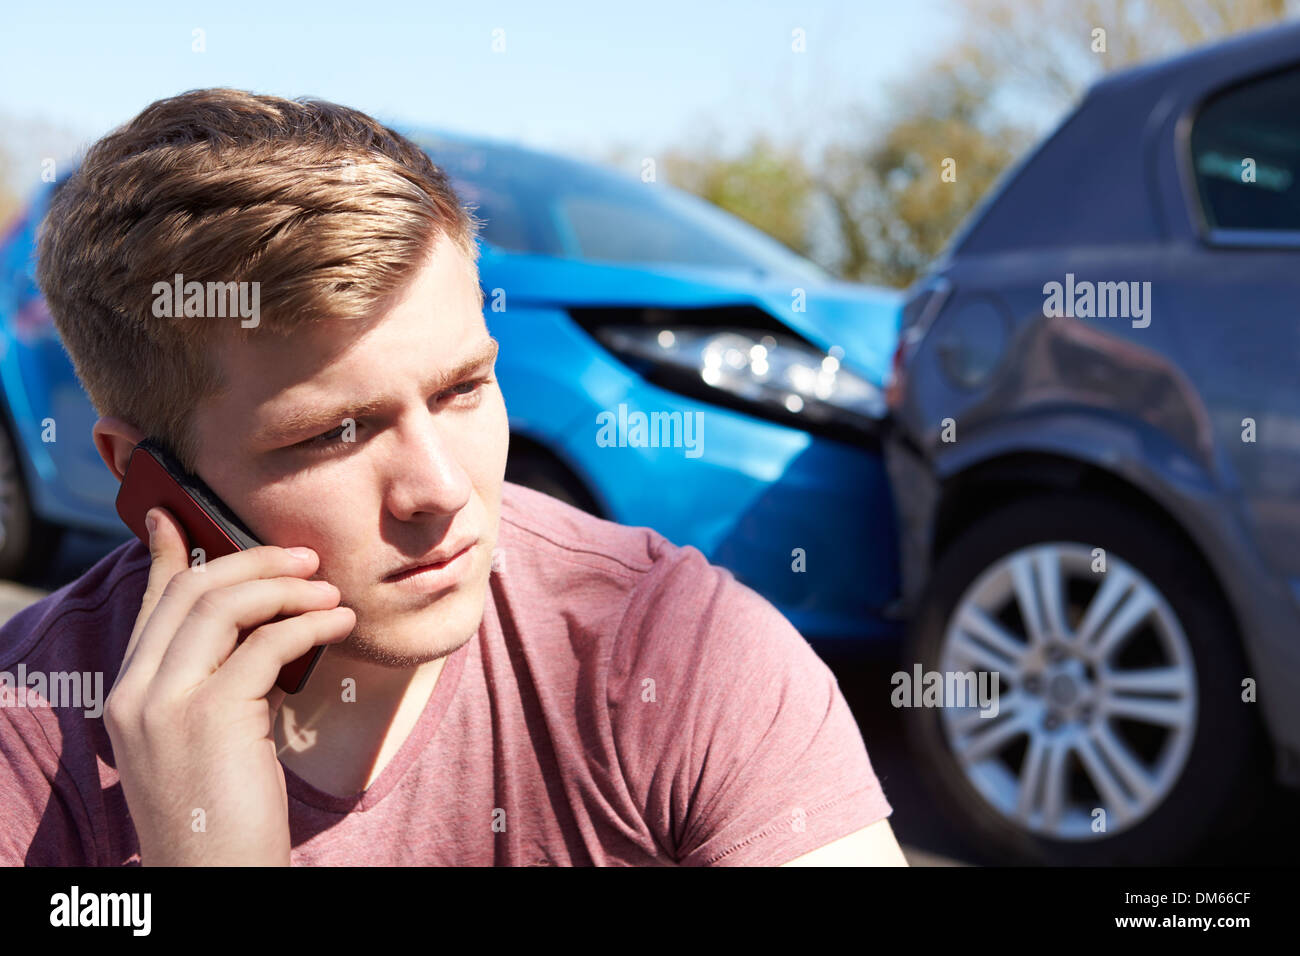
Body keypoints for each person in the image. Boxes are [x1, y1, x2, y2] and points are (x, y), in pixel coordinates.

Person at [0, 88, 904, 866]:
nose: (440, 489)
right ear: (147, 478)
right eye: (335, 434)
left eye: (464, 388)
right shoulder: (31, 738)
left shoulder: (677, 647)